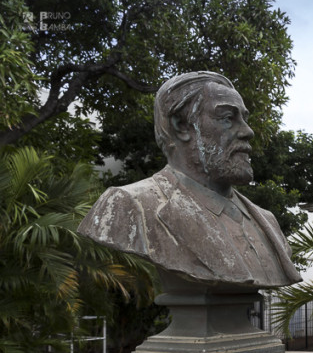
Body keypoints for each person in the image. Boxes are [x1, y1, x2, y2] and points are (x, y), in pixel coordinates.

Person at [79, 71, 301, 289]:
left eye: (244, 118)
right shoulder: (128, 204)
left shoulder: (267, 221)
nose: (248, 131)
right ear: (181, 126)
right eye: (227, 118)